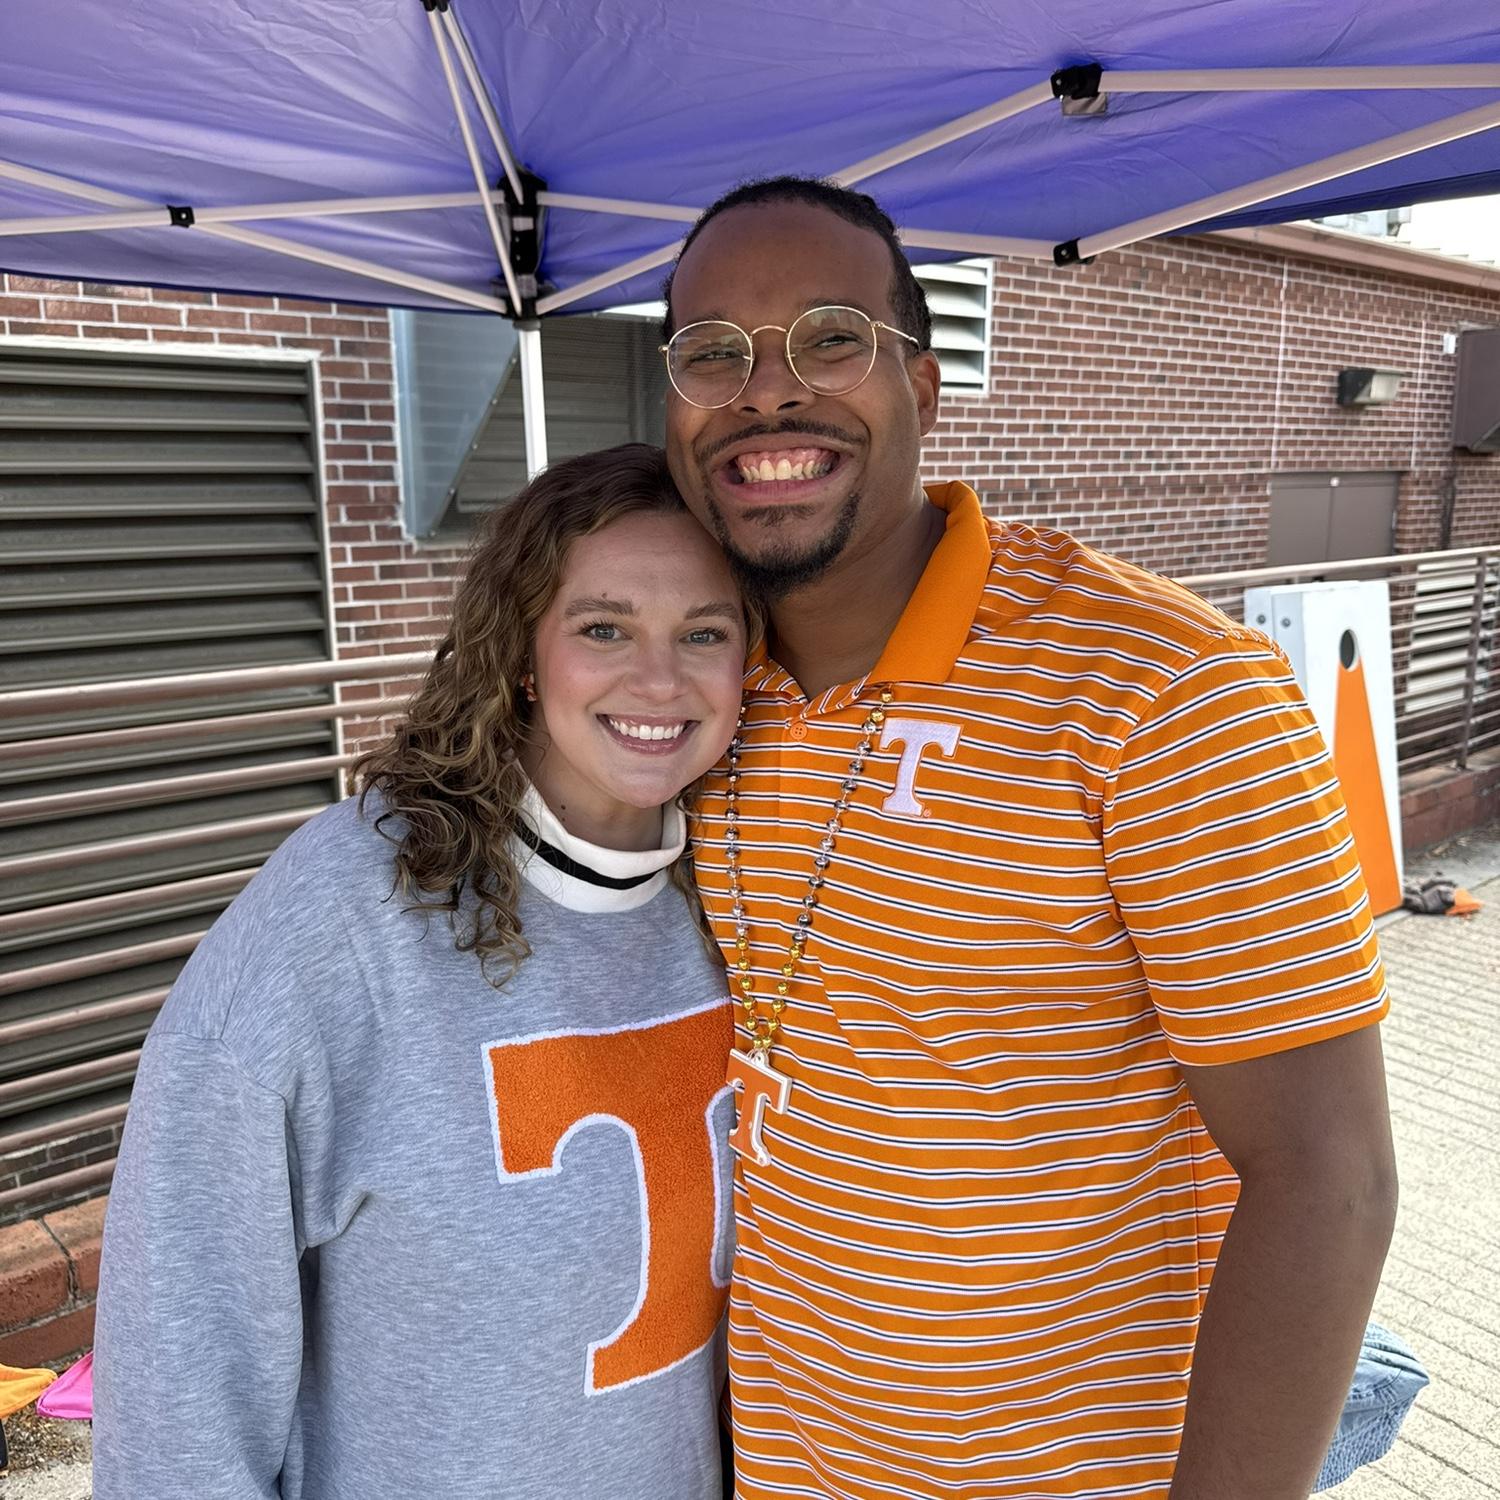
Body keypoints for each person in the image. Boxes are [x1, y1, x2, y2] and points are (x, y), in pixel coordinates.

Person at [662, 178, 1399, 1500]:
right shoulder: (696, 695)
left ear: (924, 387)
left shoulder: (1161, 692)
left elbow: (1327, 1180)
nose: (766, 393)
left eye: (830, 338)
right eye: (713, 353)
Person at [92, 444, 749, 1499]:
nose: (660, 680)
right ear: (523, 651)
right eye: (603, 628)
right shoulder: (345, 913)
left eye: (704, 632)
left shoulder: (742, 888)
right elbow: (181, 1355)